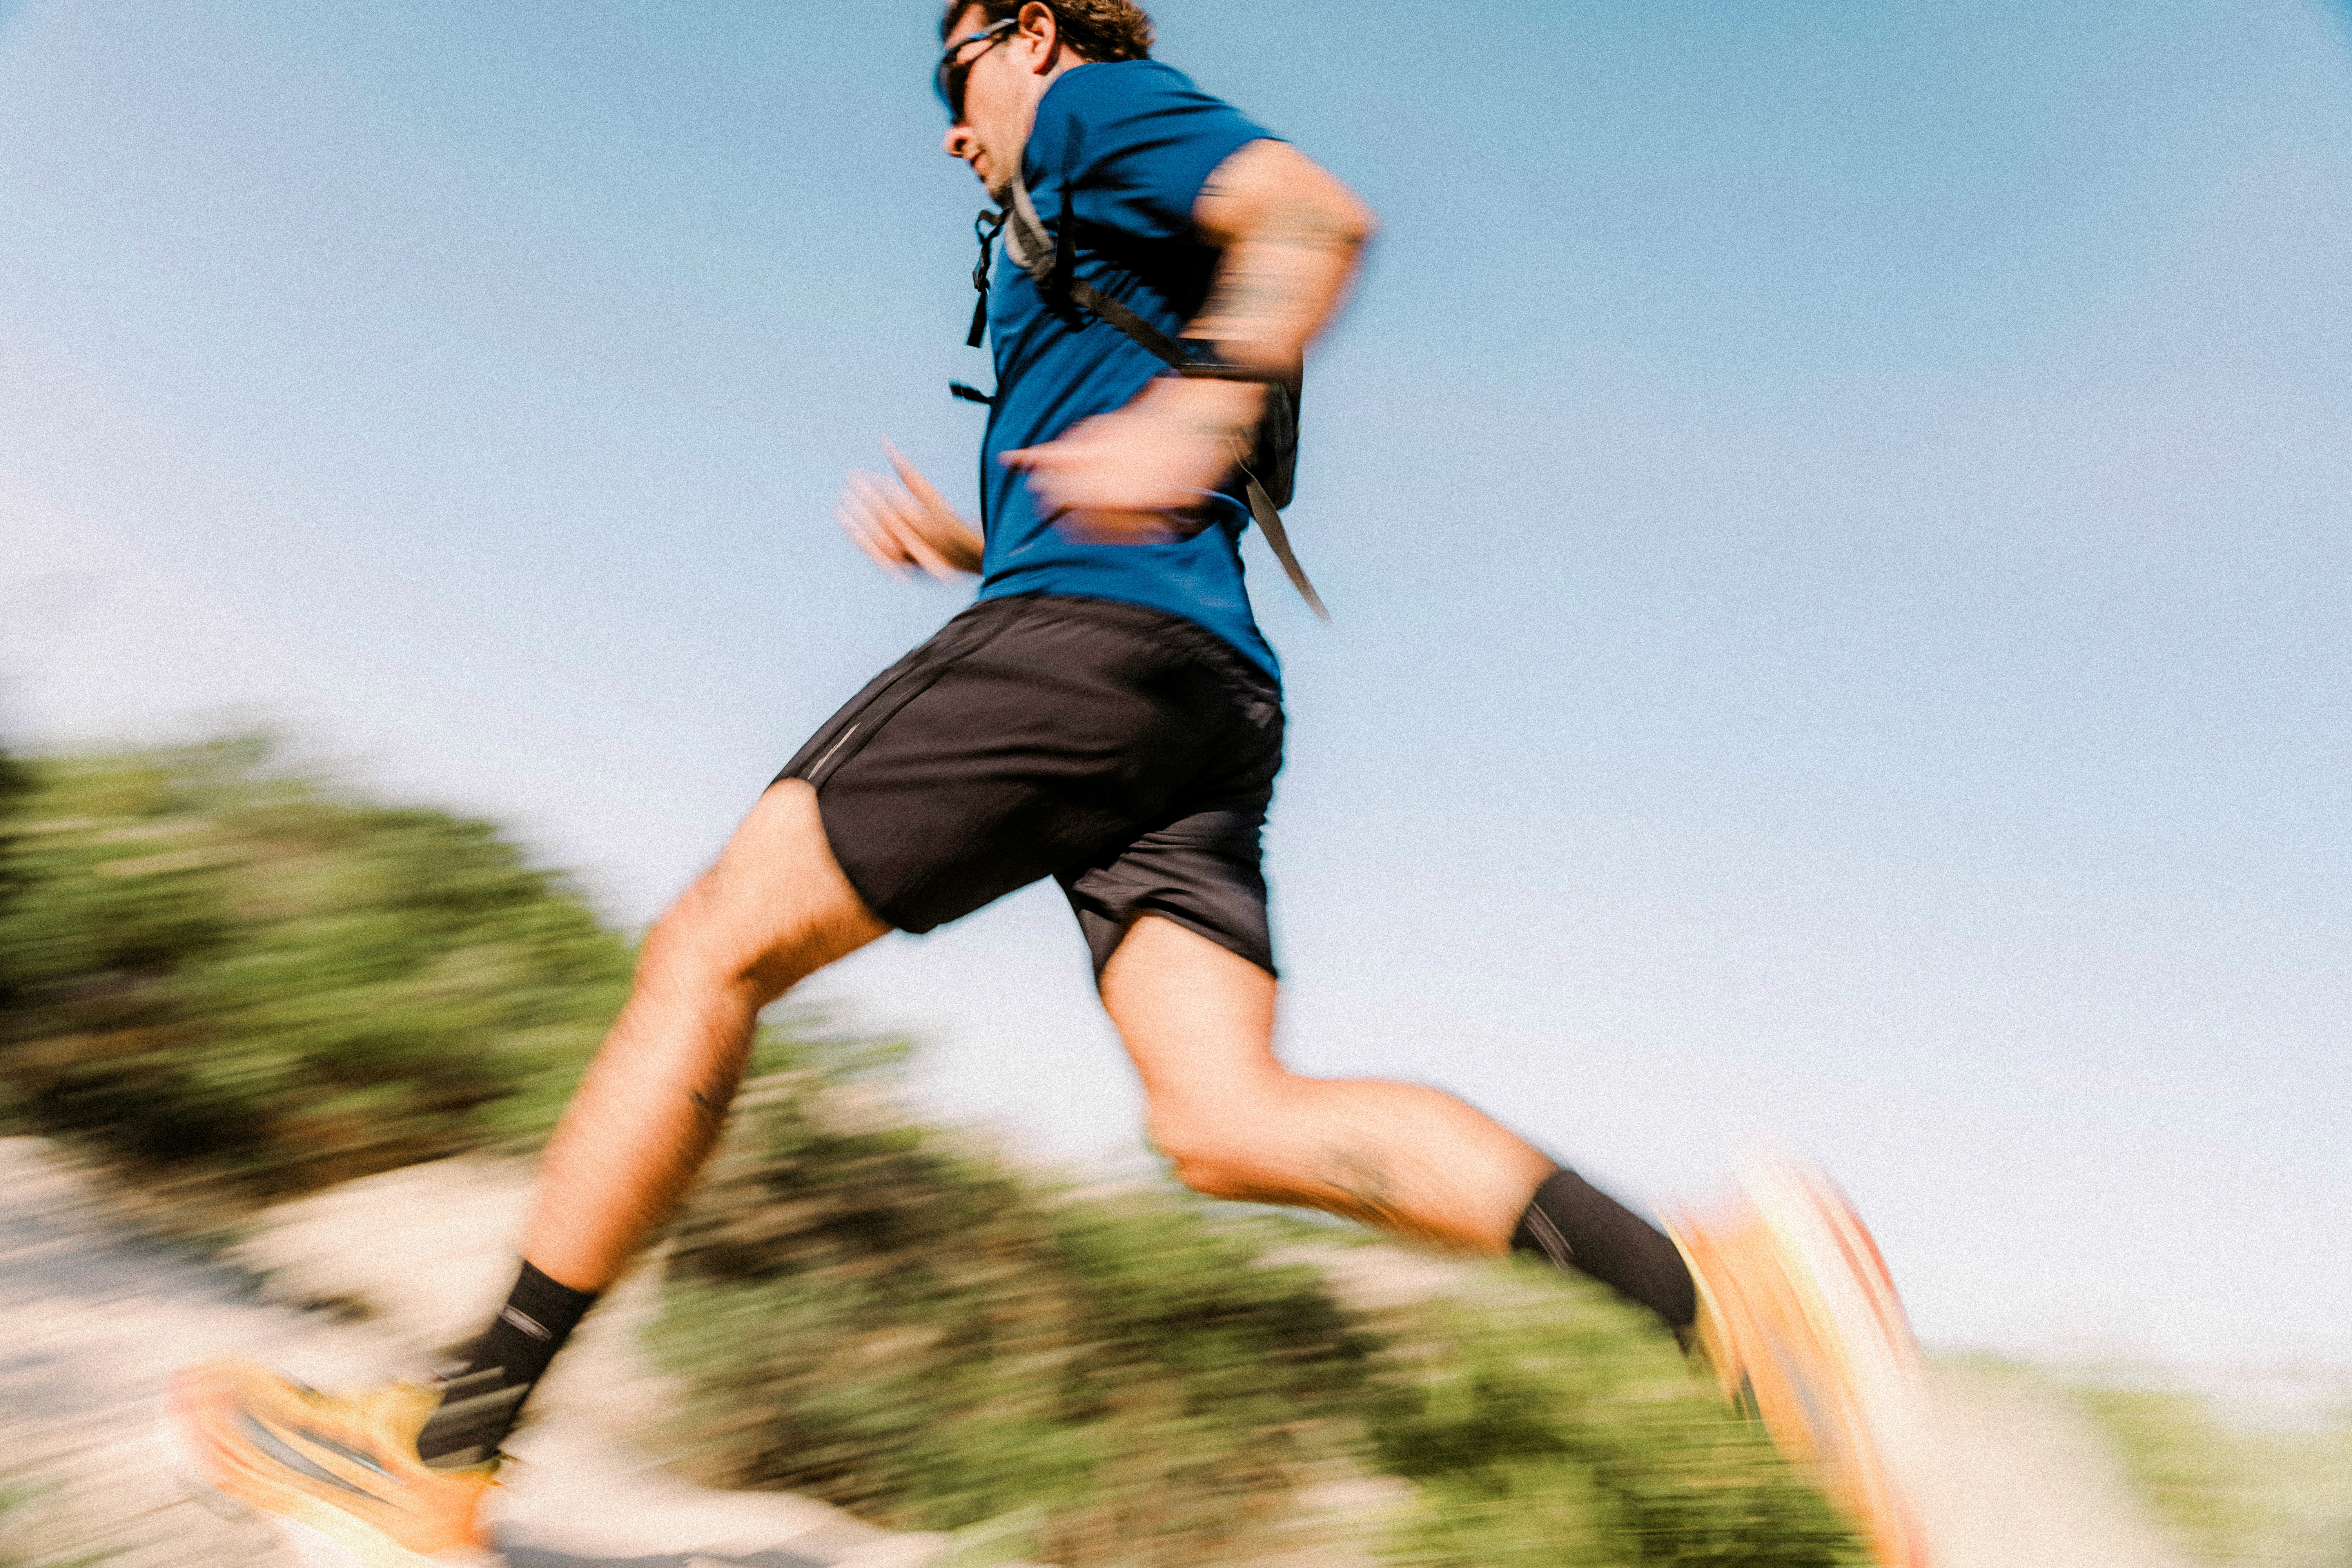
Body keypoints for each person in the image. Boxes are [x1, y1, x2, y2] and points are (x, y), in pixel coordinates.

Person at [174, 6, 1931, 1566]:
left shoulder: (1094, 104)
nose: (954, 124)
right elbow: (1161, 386)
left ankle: (446, 1444)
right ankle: (1714, 1290)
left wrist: (1196, 415)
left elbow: (1314, 215)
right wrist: (988, 526)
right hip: (1199, 695)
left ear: (1027, 28)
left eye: (959, 72)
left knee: (711, 948)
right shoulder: (1068, 214)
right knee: (1227, 1121)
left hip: (1089, 646)